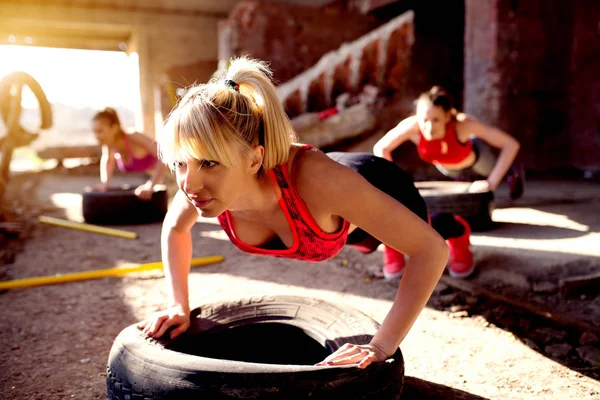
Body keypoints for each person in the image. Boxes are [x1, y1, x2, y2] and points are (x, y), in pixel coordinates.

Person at [138, 58, 473, 369]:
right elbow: (175, 229)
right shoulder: (202, 188)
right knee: (388, 252)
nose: (188, 182)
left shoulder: (320, 182)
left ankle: (458, 230)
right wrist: (178, 304)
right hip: (334, 213)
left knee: (425, 237)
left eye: (209, 163)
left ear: (254, 160)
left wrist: (381, 346)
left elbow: (430, 251)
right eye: (181, 162)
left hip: (376, 182)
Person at [373, 86, 524, 199]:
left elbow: (511, 144)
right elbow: (381, 148)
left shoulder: (462, 124)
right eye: (425, 120)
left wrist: (491, 183)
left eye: (436, 120)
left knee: (490, 172)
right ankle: (464, 178)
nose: (429, 127)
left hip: (476, 159)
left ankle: (512, 172)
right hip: (449, 167)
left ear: (446, 117)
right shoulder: (412, 127)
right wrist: (391, 184)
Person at [90, 107, 166, 200]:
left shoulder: (133, 136)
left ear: (115, 128)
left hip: (171, 177)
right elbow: (108, 163)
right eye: (94, 132)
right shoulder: (109, 146)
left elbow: (165, 155)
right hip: (156, 183)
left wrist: (150, 185)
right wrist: (104, 184)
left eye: (100, 131)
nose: (96, 136)